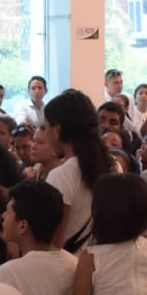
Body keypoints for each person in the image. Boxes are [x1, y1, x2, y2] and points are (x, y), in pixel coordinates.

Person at [44, 89, 112, 253]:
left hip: (72, 267)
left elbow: (55, 243)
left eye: (46, 127)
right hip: (104, 262)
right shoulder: (113, 164)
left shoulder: (62, 175)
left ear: (57, 130)